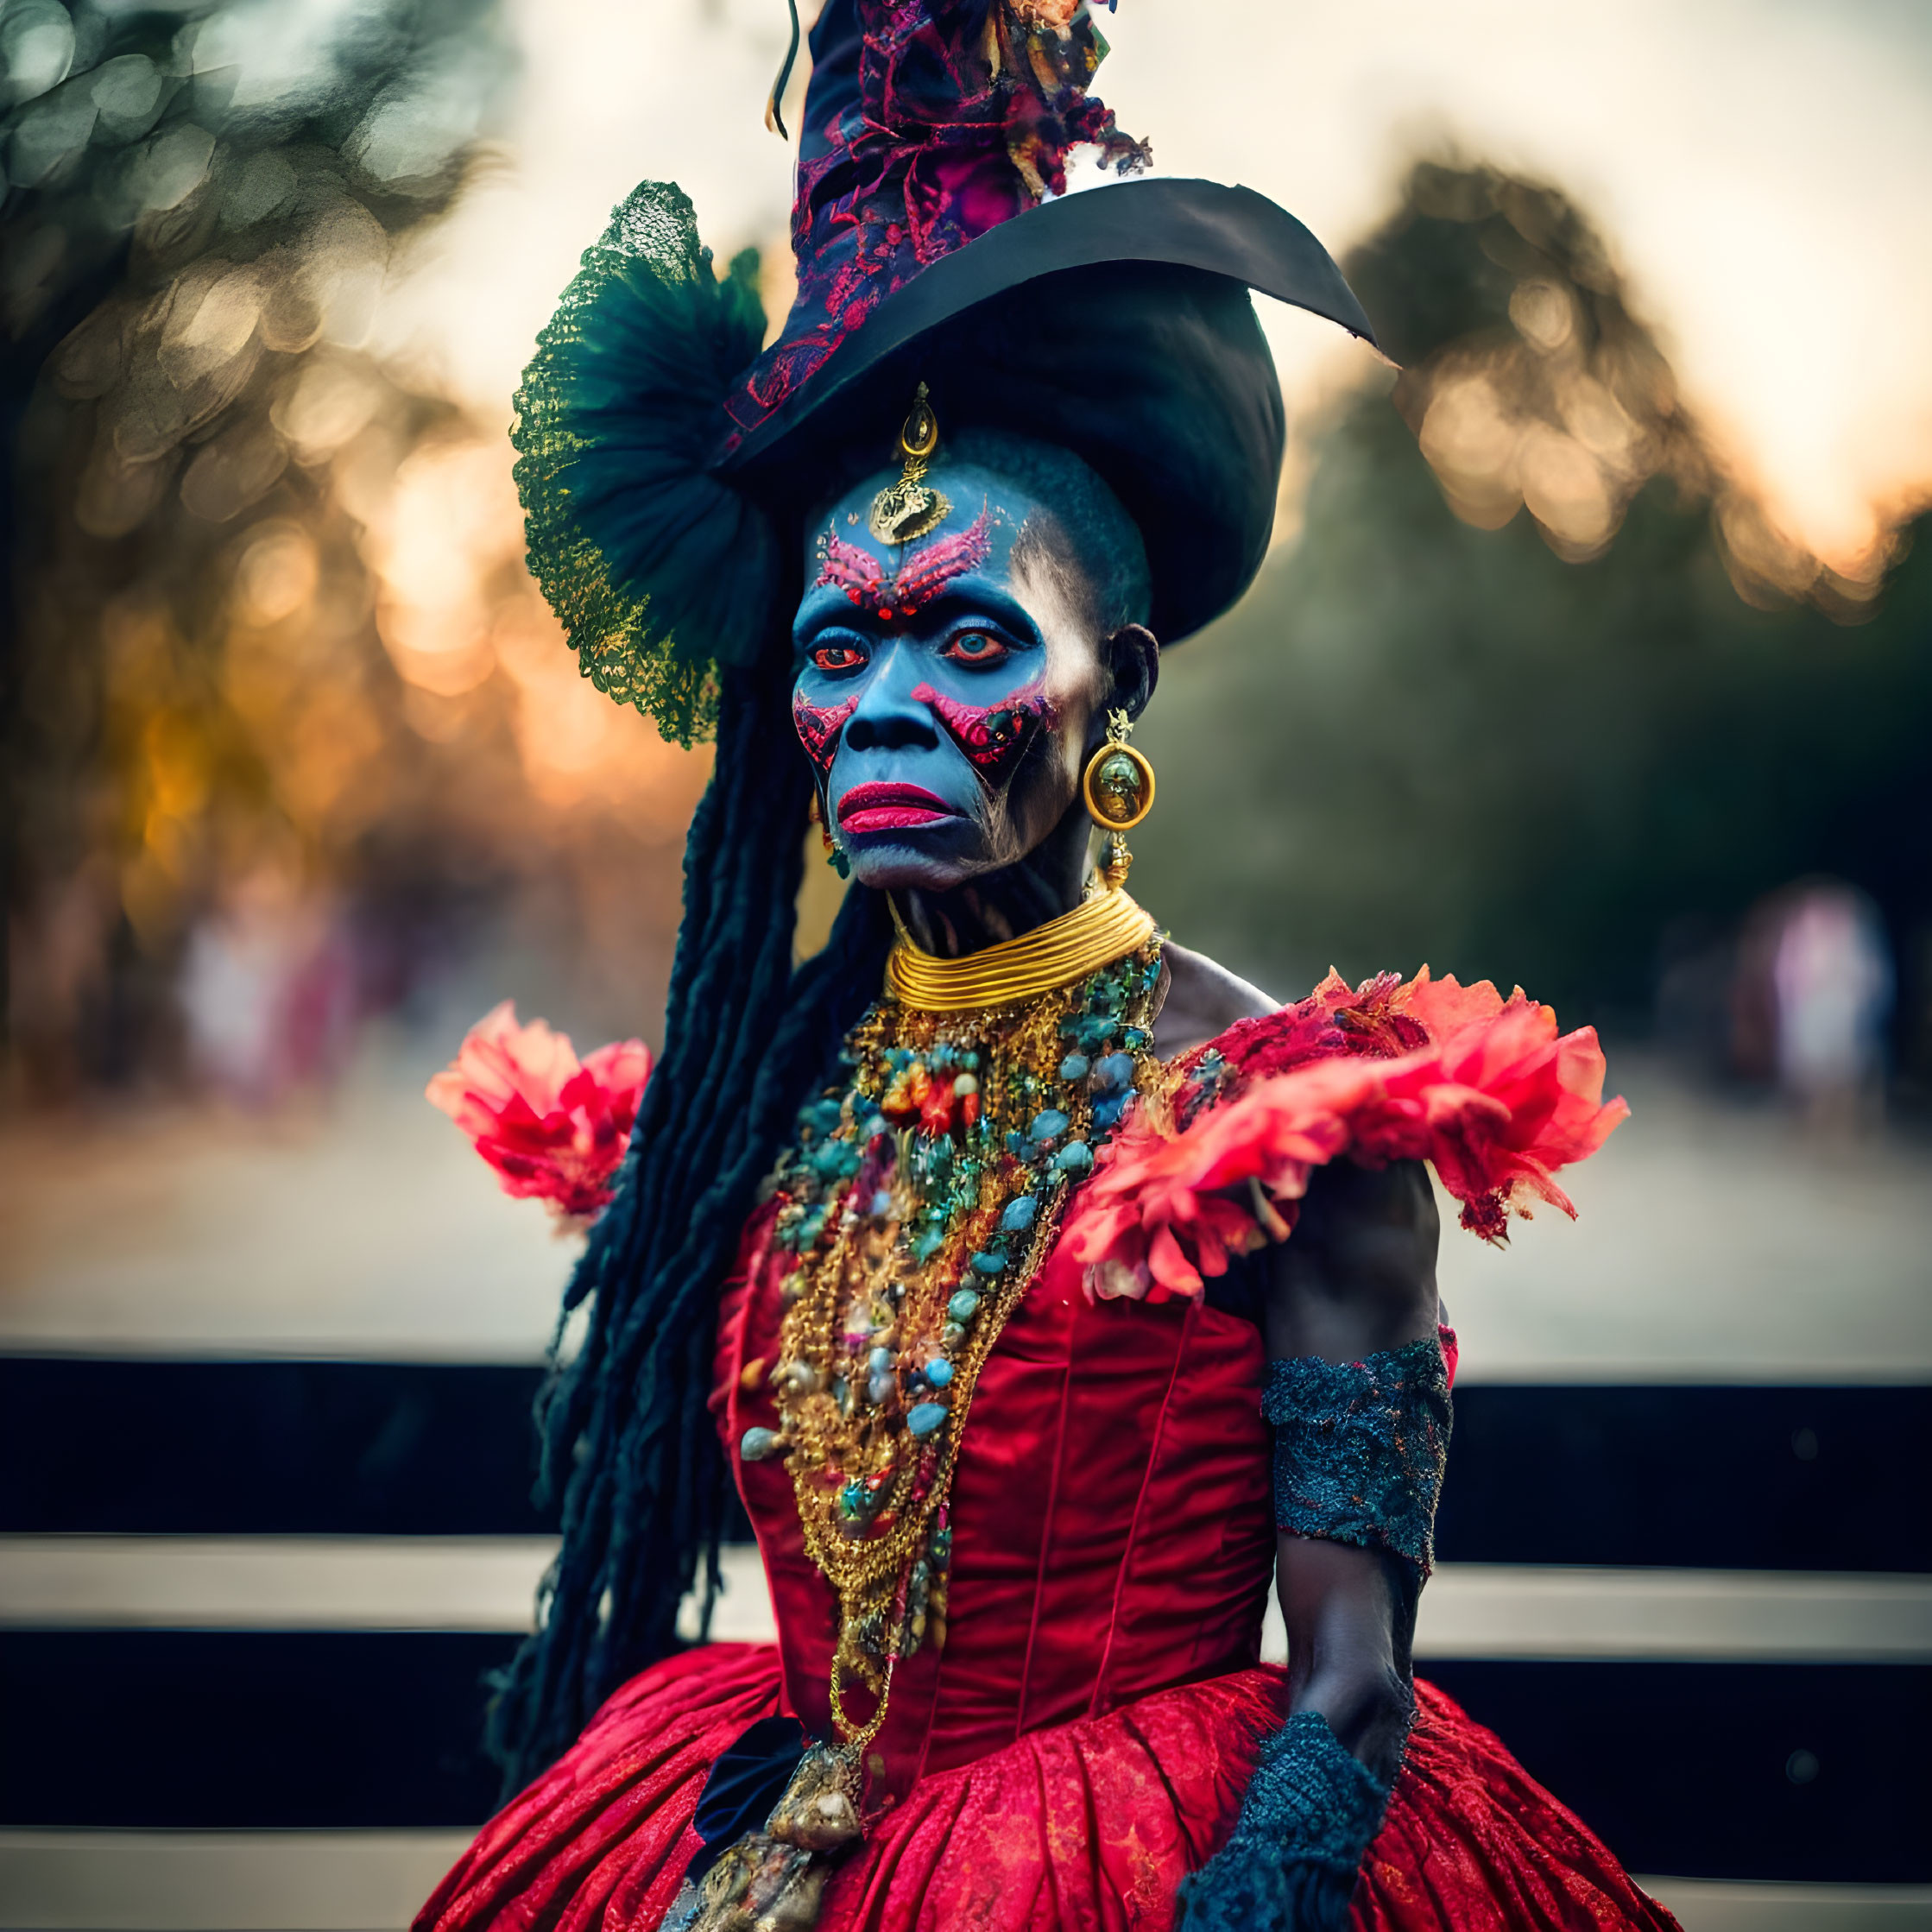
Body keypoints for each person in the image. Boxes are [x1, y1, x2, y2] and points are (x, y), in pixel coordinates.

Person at [419, 4, 1673, 1926]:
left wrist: (1264, 1887)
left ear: (1120, 686)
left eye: (972, 644)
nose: (894, 706)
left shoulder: (1287, 1127)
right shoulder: (766, 1096)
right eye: (840, 656)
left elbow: (1351, 1686)